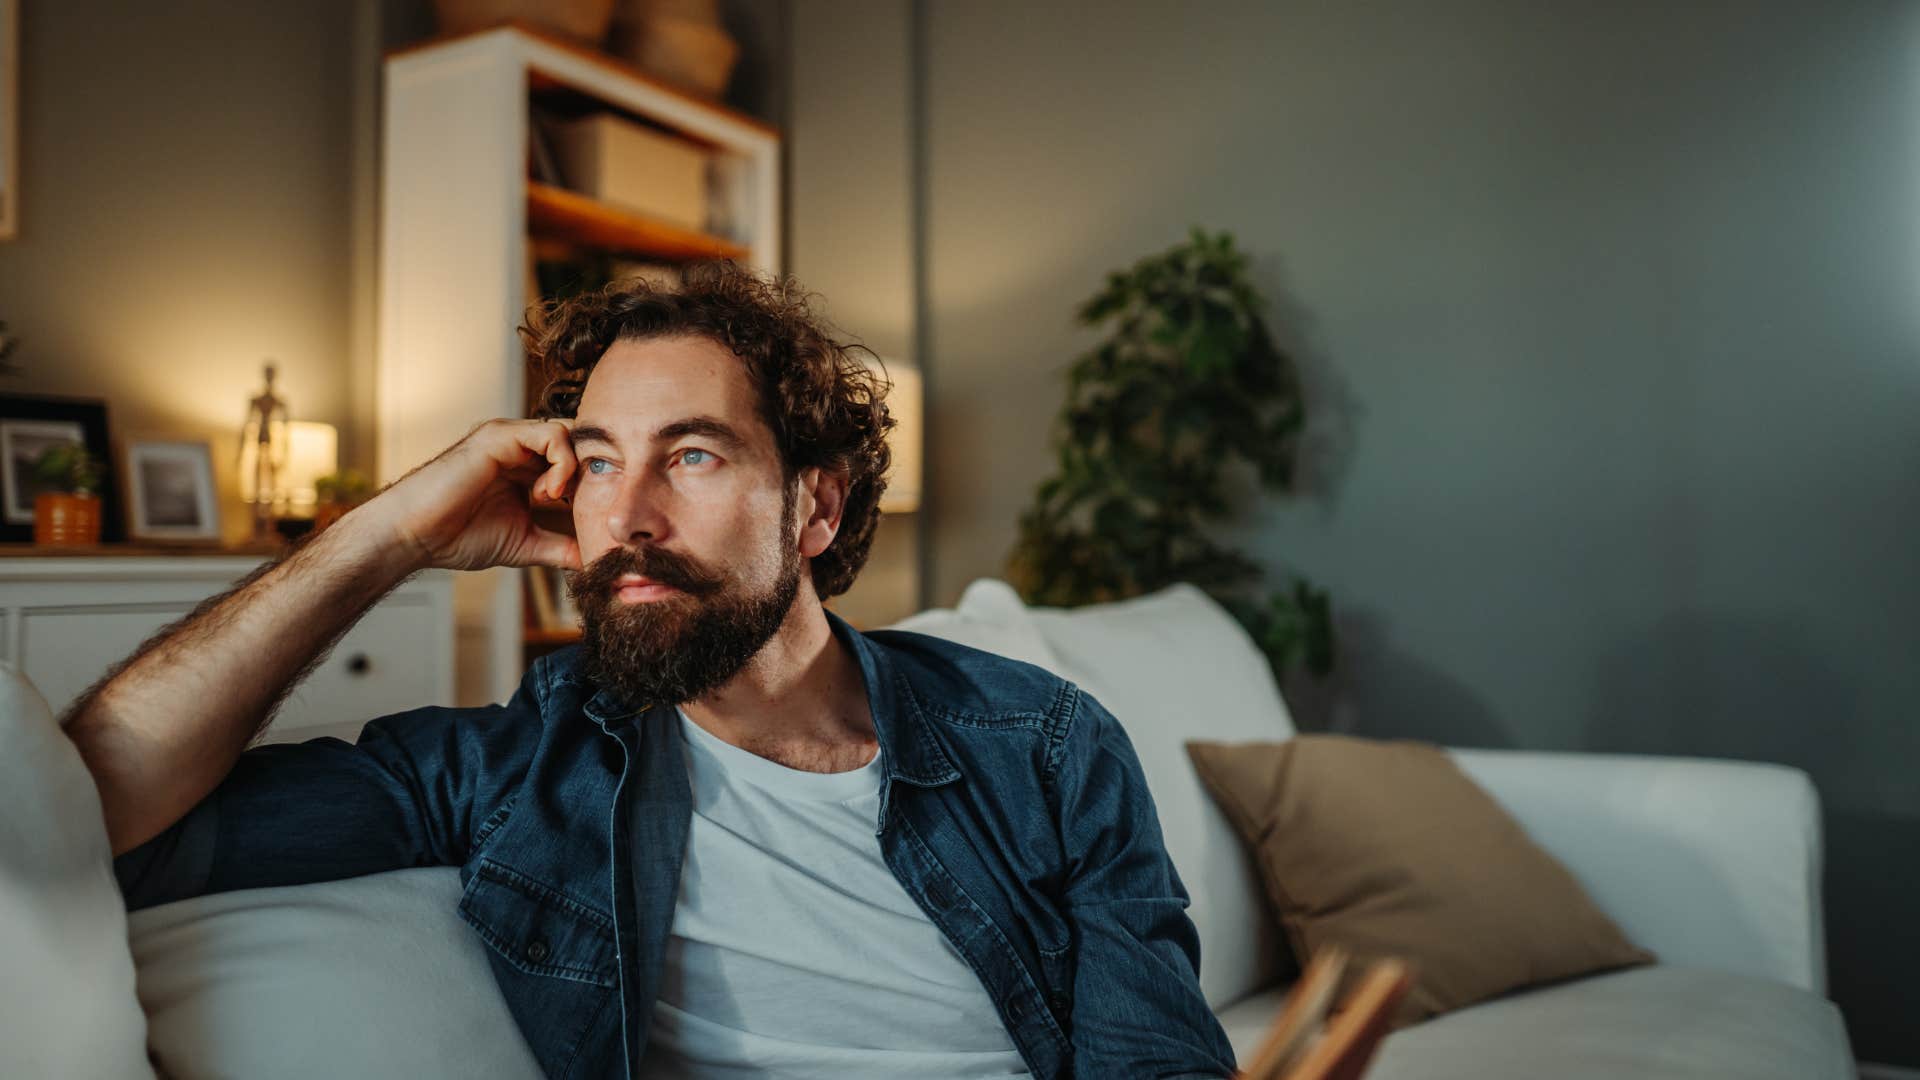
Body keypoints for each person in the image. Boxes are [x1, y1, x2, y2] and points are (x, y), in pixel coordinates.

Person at [65, 263, 1238, 1080]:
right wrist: (390, 536)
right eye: (596, 461)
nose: (626, 515)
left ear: (816, 507)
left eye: (692, 455)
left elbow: (1158, 1061)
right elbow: (95, 804)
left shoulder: (1043, 745)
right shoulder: (522, 770)